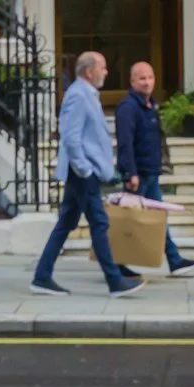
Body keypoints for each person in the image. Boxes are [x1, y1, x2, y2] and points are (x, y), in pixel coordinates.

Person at [32, 51, 143, 297]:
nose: (106, 72)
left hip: (83, 172)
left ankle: (42, 276)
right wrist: (85, 169)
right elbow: (71, 138)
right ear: (89, 71)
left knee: (66, 223)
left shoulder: (86, 94)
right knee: (100, 223)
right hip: (82, 172)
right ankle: (114, 281)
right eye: (102, 68)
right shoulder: (78, 95)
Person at [116, 60, 194, 279]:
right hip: (139, 175)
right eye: (141, 78)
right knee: (128, 221)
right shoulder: (128, 108)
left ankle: (174, 260)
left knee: (158, 217)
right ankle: (115, 264)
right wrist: (130, 173)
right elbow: (125, 142)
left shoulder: (150, 105)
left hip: (150, 172)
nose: (147, 82)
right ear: (132, 81)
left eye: (150, 78)